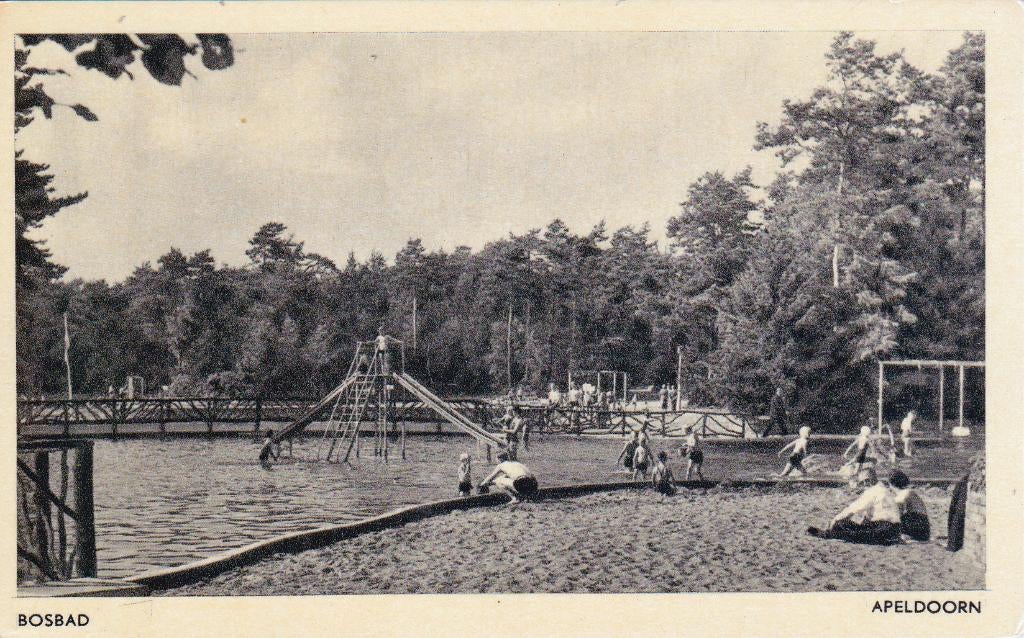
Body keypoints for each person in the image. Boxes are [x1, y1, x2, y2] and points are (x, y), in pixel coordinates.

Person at [807, 468, 902, 545]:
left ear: (867, 480)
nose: (863, 485)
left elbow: (853, 509)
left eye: (862, 482)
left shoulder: (873, 491)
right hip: (893, 529)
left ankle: (828, 534)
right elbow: (863, 515)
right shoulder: (882, 489)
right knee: (847, 525)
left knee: (853, 534)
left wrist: (835, 519)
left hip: (886, 528)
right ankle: (832, 532)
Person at [889, 469, 930, 541]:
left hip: (916, 528)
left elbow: (897, 515)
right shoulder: (910, 492)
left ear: (891, 484)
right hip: (924, 530)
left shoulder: (902, 495)